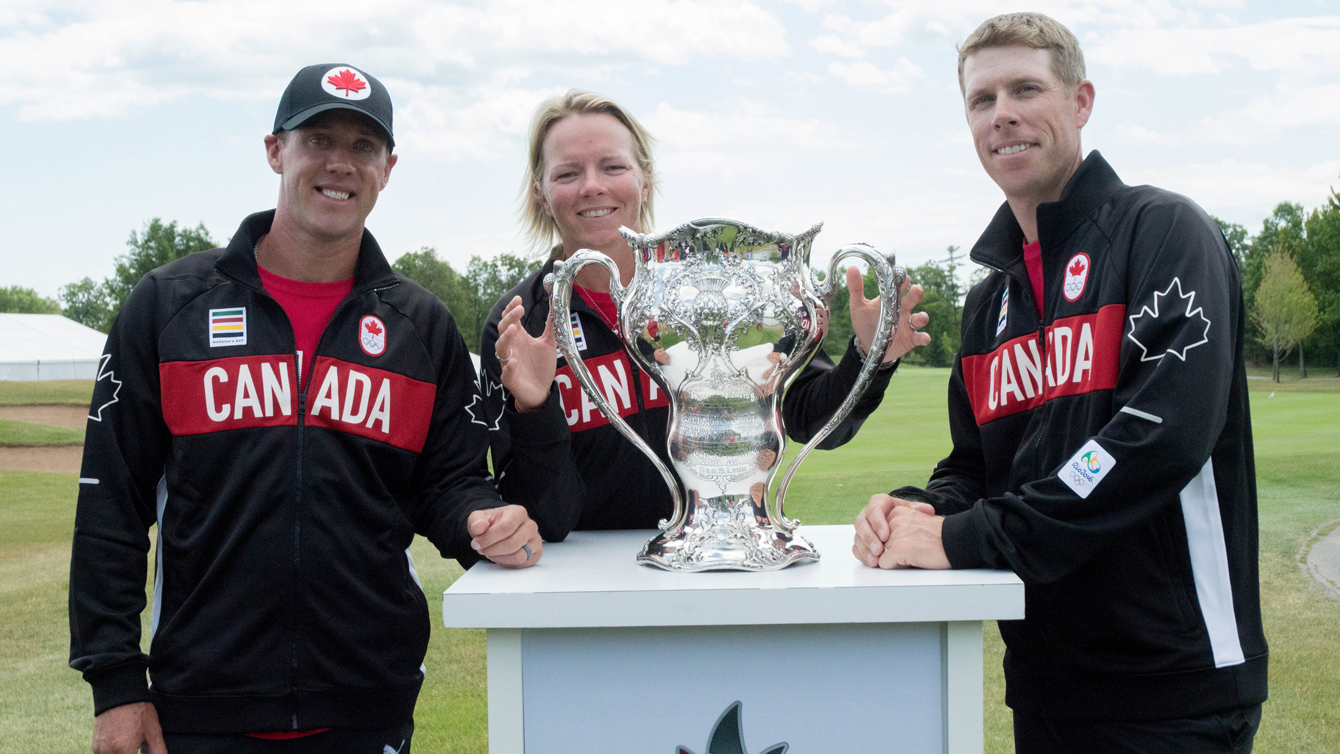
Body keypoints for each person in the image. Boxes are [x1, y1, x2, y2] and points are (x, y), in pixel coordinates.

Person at [68, 63, 542, 754]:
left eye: (363, 147)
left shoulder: (420, 326)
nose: (340, 164)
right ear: (275, 151)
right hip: (198, 706)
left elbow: (445, 485)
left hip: (367, 701)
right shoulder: (169, 307)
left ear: (389, 167)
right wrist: (115, 682)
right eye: (318, 138)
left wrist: (479, 519)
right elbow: (111, 503)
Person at [852, 13, 1267, 753]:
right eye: (982, 100)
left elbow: (1153, 439)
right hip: (1046, 681)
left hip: (1171, 690)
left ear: (1080, 103)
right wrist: (913, 511)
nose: (1002, 113)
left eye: (1025, 89)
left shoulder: (1165, 232)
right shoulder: (991, 300)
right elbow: (977, 465)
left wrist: (965, 536)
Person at [477, 90, 932, 539]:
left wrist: (868, 357)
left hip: (717, 567)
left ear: (645, 179)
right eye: (568, 172)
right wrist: (534, 409)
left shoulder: (717, 291)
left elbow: (813, 422)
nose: (592, 185)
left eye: (613, 166)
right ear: (540, 191)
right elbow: (546, 516)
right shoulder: (519, 324)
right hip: (584, 588)